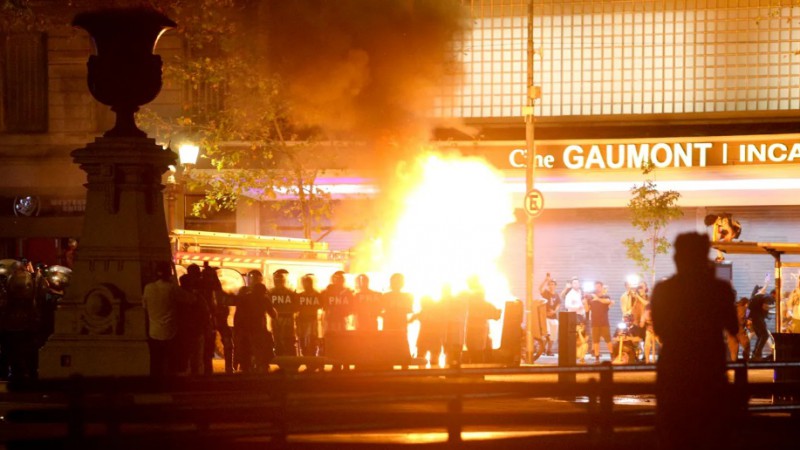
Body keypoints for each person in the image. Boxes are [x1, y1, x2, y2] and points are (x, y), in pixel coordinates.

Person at [651, 233, 738, 450]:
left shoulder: (664, 290)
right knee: (711, 433)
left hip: (674, 371)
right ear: (704, 256)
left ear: (678, 258)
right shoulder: (719, 289)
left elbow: (660, 329)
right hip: (710, 372)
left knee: (674, 434)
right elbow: (733, 328)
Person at [142, 261, 184, 376]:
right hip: (171, 332)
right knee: (170, 363)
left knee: (155, 361)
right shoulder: (172, 288)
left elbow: (144, 306)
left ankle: (155, 384)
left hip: (153, 332)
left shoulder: (148, 288)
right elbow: (190, 300)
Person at [233, 274, 276, 373]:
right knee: (263, 347)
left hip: (245, 329)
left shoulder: (245, 298)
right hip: (259, 329)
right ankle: (261, 365)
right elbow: (273, 314)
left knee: (245, 349)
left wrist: (238, 328)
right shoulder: (264, 299)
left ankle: (245, 366)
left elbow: (238, 314)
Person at [178, 264, 209, 375]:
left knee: (186, 355)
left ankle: (185, 375)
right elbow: (205, 312)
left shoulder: (177, 294)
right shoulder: (197, 296)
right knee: (197, 356)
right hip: (196, 330)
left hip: (183, 330)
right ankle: (197, 377)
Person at [463, 276, 501, 364]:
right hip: (479, 330)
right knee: (477, 352)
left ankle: (476, 372)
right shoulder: (482, 303)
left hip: (475, 330)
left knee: (474, 351)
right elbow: (495, 316)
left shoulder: (470, 302)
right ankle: (478, 372)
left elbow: (494, 315)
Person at [270, 269, 299, 357]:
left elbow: (296, 307)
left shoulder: (290, 293)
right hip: (276, 319)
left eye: (280, 280)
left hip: (287, 319)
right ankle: (282, 361)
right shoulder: (271, 292)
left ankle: (290, 361)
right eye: (277, 280)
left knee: (288, 340)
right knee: (278, 340)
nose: (278, 282)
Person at [409, 295, 445, 365]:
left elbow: (410, 320)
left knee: (425, 358)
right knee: (428, 359)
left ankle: (425, 374)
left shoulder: (423, 313)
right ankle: (432, 373)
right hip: (431, 338)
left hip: (427, 338)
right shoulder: (433, 313)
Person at [297, 274, 323, 357]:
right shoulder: (300, 295)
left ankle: (311, 360)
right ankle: (308, 358)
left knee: (311, 341)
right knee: (303, 342)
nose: (305, 285)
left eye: (306, 283)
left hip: (312, 322)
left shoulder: (316, 295)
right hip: (303, 321)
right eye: (304, 283)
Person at [588, 281, 613, 363]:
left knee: (608, 340)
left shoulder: (606, 296)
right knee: (596, 341)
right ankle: (597, 358)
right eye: (596, 286)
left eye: (599, 286)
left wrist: (597, 298)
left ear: (602, 287)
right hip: (594, 323)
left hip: (604, 322)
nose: (597, 288)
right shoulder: (591, 297)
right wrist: (585, 302)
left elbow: (608, 301)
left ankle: (612, 356)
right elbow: (587, 309)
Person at [748, 282, 773, 361]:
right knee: (764, 335)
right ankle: (756, 354)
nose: (764, 291)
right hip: (757, 319)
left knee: (761, 336)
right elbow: (765, 307)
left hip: (756, 319)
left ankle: (756, 353)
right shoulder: (759, 296)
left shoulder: (756, 297)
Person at [539, 274, 560, 356]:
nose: (552, 286)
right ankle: (542, 349)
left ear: (555, 286)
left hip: (554, 317)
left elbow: (558, 304)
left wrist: (554, 311)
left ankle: (549, 350)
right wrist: (545, 280)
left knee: (553, 335)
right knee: (546, 334)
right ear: (548, 285)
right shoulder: (546, 293)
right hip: (546, 317)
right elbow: (540, 289)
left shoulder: (556, 295)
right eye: (550, 284)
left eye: (553, 284)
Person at [727, 297, 750, 362]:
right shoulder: (746, 309)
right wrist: (746, 323)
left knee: (734, 349)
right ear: (746, 303)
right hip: (740, 331)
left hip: (730, 331)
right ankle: (746, 360)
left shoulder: (733, 308)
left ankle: (734, 364)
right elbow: (743, 320)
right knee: (747, 345)